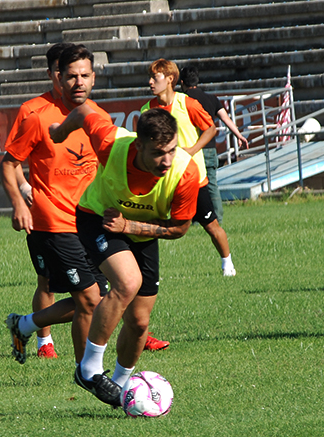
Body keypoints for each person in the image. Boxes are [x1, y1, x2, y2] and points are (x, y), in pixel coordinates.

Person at [49, 104, 201, 407]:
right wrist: (60, 132)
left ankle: (119, 388)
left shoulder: (186, 172)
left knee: (140, 323)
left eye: (171, 150)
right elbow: (83, 111)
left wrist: (130, 225)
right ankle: (88, 369)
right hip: (97, 218)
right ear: (138, 145)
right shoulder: (110, 143)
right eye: (158, 153)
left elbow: (180, 228)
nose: (167, 160)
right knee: (127, 283)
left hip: (140, 230)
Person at [0, 43, 107, 363]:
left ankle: (25, 325)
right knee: (84, 296)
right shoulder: (36, 114)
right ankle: (84, 369)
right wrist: (20, 200)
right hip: (51, 220)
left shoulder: (98, 117)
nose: (79, 82)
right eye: (72, 76)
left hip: (89, 219)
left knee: (100, 298)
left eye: (85, 76)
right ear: (57, 78)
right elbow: (9, 162)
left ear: (94, 78)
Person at [142, 59, 238, 278]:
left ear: (170, 80)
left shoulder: (187, 104)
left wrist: (191, 150)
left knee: (211, 226)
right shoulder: (147, 110)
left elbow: (211, 129)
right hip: (162, 179)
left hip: (193, 179)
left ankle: (227, 264)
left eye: (154, 78)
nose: (149, 82)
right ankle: (139, 270)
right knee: (145, 223)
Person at [179, 65, 250, 226]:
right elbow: (225, 118)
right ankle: (217, 217)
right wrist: (238, 135)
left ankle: (194, 220)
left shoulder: (182, 100)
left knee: (191, 185)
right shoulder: (211, 98)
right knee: (211, 184)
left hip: (190, 149)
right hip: (210, 148)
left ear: (182, 82)